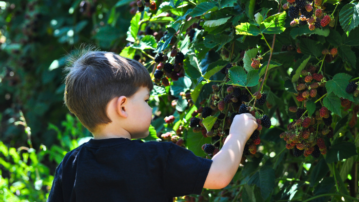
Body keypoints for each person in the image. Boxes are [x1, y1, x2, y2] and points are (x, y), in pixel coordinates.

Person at [47, 45, 258, 202]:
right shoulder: (157, 158)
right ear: (122, 107)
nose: (150, 108)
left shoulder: (70, 165)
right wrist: (238, 134)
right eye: (146, 100)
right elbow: (219, 175)